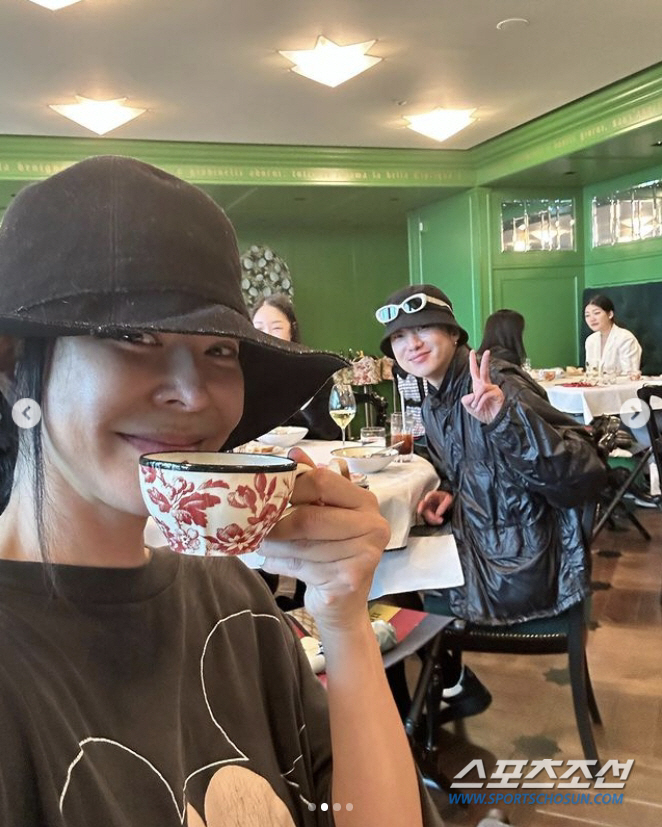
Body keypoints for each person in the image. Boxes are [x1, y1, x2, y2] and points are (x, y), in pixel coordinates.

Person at [0, 157, 442, 827]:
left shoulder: (231, 598)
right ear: (14, 363)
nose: (193, 394)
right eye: (133, 337)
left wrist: (346, 621)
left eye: (221, 351)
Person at [374, 284, 606, 720]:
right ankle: (443, 690)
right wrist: (450, 490)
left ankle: (409, 720)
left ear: (454, 333)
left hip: (523, 564)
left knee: (378, 590)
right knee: (379, 576)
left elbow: (584, 474)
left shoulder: (496, 382)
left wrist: (505, 420)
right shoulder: (437, 395)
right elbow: (474, 464)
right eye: (399, 337)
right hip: (489, 540)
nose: (411, 344)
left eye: (423, 329)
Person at [252, 294, 342, 440]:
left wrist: (303, 394)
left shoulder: (315, 368)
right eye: (259, 328)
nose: (267, 335)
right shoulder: (246, 372)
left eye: (276, 328)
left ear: (292, 330)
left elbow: (332, 432)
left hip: (312, 451)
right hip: (260, 452)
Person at [584, 294, 642, 375]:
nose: (592, 319)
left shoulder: (625, 338)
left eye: (596, 313)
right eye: (587, 315)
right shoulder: (590, 340)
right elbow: (591, 372)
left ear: (610, 314)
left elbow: (630, 374)